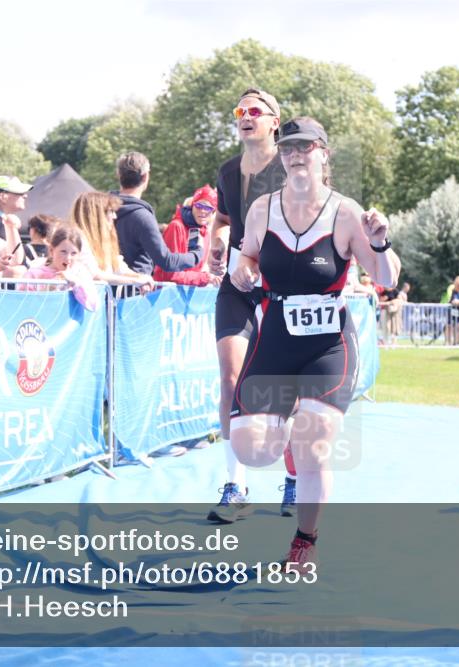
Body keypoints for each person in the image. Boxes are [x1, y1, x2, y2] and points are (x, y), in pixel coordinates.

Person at [229, 117, 401, 570]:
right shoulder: (262, 209)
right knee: (250, 448)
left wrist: (380, 243)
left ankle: (304, 543)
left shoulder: (346, 212)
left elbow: (385, 278)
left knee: (313, 446)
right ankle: (287, 437)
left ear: (324, 153)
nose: (295, 155)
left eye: (305, 147)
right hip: (275, 339)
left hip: (328, 346)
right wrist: (243, 270)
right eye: (288, 148)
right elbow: (247, 257)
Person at [207, 88, 293, 522]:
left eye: (254, 110)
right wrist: (217, 244)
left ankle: (294, 479)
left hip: (283, 286)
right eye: (239, 110)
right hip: (237, 285)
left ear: (274, 121)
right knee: (231, 378)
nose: (245, 116)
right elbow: (223, 219)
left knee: (285, 387)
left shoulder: (291, 165)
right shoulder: (227, 171)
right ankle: (235, 485)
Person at [113, 152, 201, 277]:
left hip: (102, 285)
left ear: (118, 174)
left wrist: (158, 228)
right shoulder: (142, 217)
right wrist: (197, 254)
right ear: (145, 177)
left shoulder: (101, 209)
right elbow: (167, 261)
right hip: (135, 285)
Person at [68, 191, 153, 286]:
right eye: (111, 211)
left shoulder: (103, 240)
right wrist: (136, 281)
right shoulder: (78, 239)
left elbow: (119, 268)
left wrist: (140, 277)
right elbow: (95, 275)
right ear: (96, 214)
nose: (114, 216)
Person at [154, 185, 221, 286]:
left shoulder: (204, 232)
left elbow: (196, 271)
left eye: (208, 207)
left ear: (213, 211)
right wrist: (204, 278)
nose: (203, 211)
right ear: (192, 206)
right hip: (166, 292)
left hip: (188, 291)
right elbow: (170, 274)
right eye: (199, 206)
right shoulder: (176, 227)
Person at [20, 225, 99, 311]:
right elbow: (23, 305)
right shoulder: (34, 274)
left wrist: (75, 283)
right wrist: (47, 290)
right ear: (51, 250)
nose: (68, 258)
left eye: (74, 253)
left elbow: (93, 305)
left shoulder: (81, 272)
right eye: (63, 252)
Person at [0, 175, 33, 241]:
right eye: (20, 193)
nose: (25, 196)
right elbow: (13, 248)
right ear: (3, 197)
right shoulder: (0, 226)